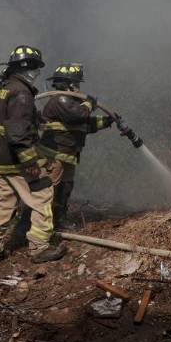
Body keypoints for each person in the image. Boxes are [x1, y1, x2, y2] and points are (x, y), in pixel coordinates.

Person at [0, 45, 66, 267]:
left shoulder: (3, 90)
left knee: (2, 203)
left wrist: (38, 121)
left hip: (0, 160)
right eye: (35, 68)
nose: (36, 73)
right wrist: (30, 163)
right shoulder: (22, 93)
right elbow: (17, 133)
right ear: (26, 67)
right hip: (17, 161)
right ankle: (39, 247)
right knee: (43, 196)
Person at [38, 63, 115, 228]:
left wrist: (107, 121)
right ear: (69, 84)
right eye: (77, 84)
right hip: (53, 155)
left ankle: (58, 220)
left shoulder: (71, 103)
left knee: (64, 189)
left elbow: (83, 126)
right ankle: (38, 228)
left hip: (68, 155)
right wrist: (89, 103)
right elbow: (78, 116)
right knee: (48, 191)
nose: (79, 87)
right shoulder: (60, 99)